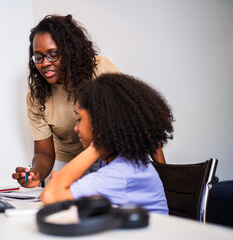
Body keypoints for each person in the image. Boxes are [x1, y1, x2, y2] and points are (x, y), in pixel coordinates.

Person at [12, 14, 165, 188]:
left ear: (69, 51)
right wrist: (36, 174)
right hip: (72, 162)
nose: (45, 63)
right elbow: (43, 152)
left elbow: (140, 117)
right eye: (38, 57)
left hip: (112, 157)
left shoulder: (100, 70)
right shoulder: (36, 96)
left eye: (53, 54)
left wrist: (164, 174)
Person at [40, 73, 174, 214]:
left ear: (101, 122)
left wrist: (97, 144)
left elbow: (50, 196)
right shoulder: (116, 160)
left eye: (79, 119)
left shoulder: (123, 172)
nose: (76, 128)